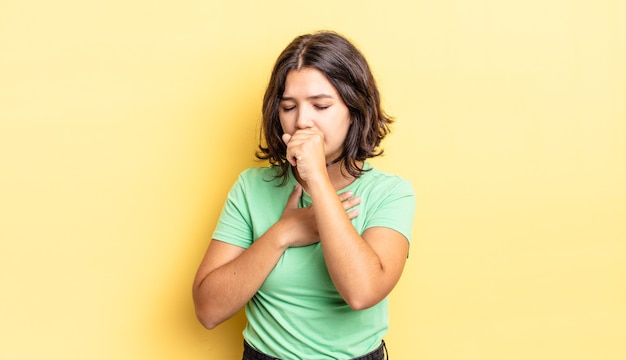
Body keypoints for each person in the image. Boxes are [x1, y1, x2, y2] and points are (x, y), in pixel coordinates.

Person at [192, 30, 416, 360]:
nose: (302, 121)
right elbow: (208, 310)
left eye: (321, 105)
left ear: (355, 109)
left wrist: (317, 180)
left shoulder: (391, 193)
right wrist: (285, 232)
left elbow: (362, 292)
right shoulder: (252, 187)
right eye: (289, 106)